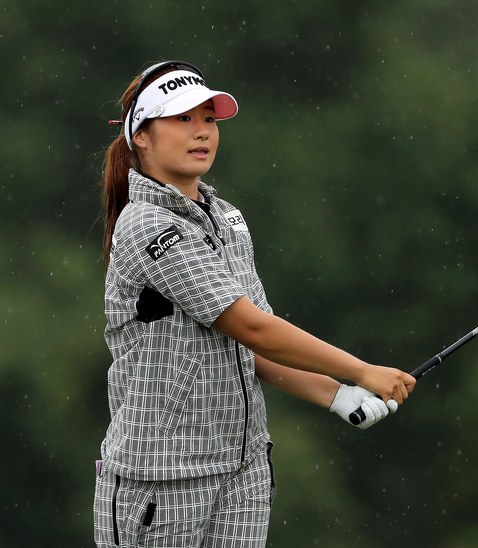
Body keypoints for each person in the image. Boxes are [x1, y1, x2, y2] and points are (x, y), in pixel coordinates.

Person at [93, 60, 416, 547]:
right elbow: (252, 327)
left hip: (241, 478)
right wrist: (362, 370)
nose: (201, 132)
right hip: (159, 483)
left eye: (209, 119)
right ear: (142, 136)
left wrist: (337, 394)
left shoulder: (227, 219)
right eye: (182, 119)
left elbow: (255, 345)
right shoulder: (146, 225)